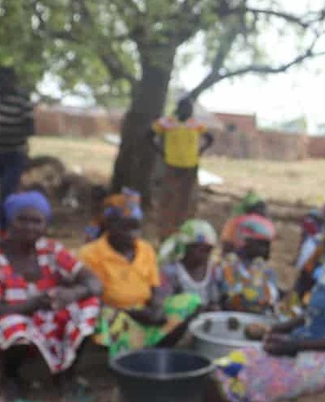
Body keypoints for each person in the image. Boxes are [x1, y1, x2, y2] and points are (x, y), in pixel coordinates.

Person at [212, 186, 325, 402]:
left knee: (245, 377)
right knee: (232, 363)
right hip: (316, 344)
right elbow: (316, 313)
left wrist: (294, 346)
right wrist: (277, 330)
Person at [0, 191, 101, 401]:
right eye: (22, 219)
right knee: (14, 325)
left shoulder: (51, 249)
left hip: (48, 323)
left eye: (37, 221)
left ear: (46, 225)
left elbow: (94, 283)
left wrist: (71, 293)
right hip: (8, 327)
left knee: (90, 303)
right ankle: (11, 378)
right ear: (9, 221)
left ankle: (66, 373)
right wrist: (33, 304)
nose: (29, 227)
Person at [78, 191, 201, 358]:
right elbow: (92, 301)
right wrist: (132, 314)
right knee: (108, 318)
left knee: (190, 301)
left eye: (135, 227)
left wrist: (156, 309)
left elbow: (155, 287)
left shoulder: (146, 249)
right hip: (115, 314)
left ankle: (156, 351)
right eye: (125, 228)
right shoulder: (90, 254)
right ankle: (125, 360)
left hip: (145, 312)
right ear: (110, 225)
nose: (132, 235)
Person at [149, 97, 215, 238]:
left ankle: (185, 231)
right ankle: (166, 232)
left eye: (190, 108)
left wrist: (199, 152)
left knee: (188, 200)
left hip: (191, 167)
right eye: (186, 107)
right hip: (172, 166)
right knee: (169, 198)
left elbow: (210, 139)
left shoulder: (195, 124)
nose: (188, 111)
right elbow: (149, 136)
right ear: (178, 108)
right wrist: (161, 152)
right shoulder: (167, 122)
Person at [0, 67, 35, 236]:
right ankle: (9, 225)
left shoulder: (23, 99)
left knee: (7, 191)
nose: (0, 85)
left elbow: (30, 129)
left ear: (13, 81)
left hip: (17, 152)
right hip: (1, 152)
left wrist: (6, 132)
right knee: (5, 190)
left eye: (4, 81)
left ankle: (4, 229)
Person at [217, 213, 280, 314]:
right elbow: (229, 296)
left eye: (267, 245)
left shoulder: (268, 272)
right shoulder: (227, 267)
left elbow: (271, 298)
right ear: (245, 242)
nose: (266, 250)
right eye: (261, 244)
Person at [158, 219, 221, 307]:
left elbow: (216, 300)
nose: (206, 255)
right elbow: (163, 304)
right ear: (187, 248)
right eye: (202, 250)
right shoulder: (171, 272)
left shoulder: (214, 272)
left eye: (209, 250)